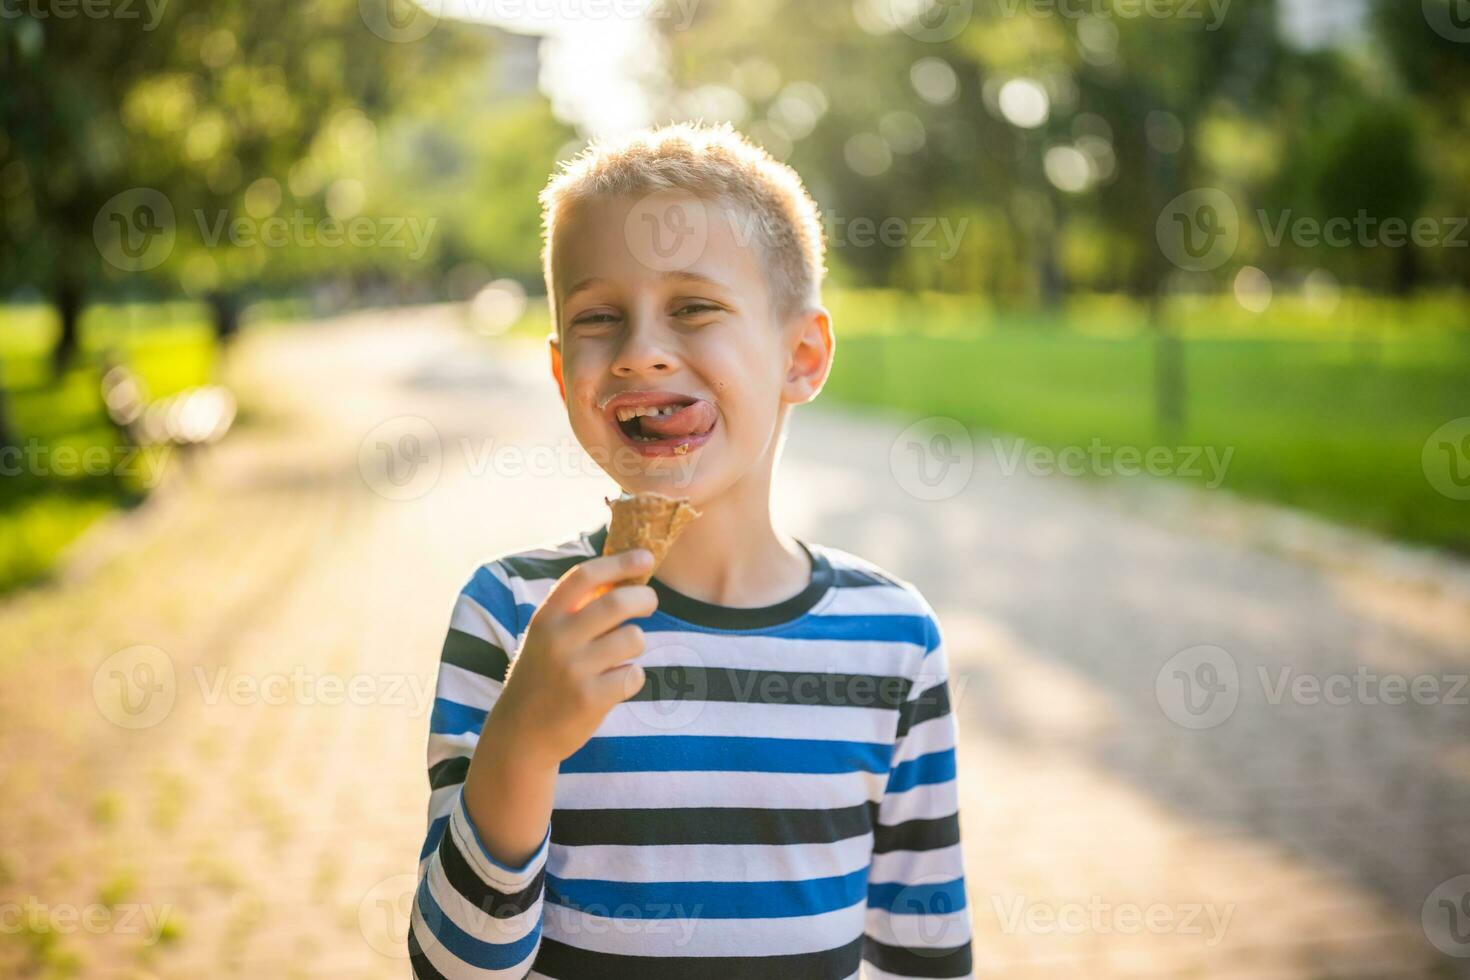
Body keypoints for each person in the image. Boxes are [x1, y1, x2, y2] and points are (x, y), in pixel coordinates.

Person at [409, 121, 973, 979]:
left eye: (695, 308)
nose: (640, 353)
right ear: (563, 375)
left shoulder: (894, 640)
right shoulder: (513, 615)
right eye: (600, 318)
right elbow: (452, 969)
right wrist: (522, 741)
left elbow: (922, 956)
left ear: (802, 355)